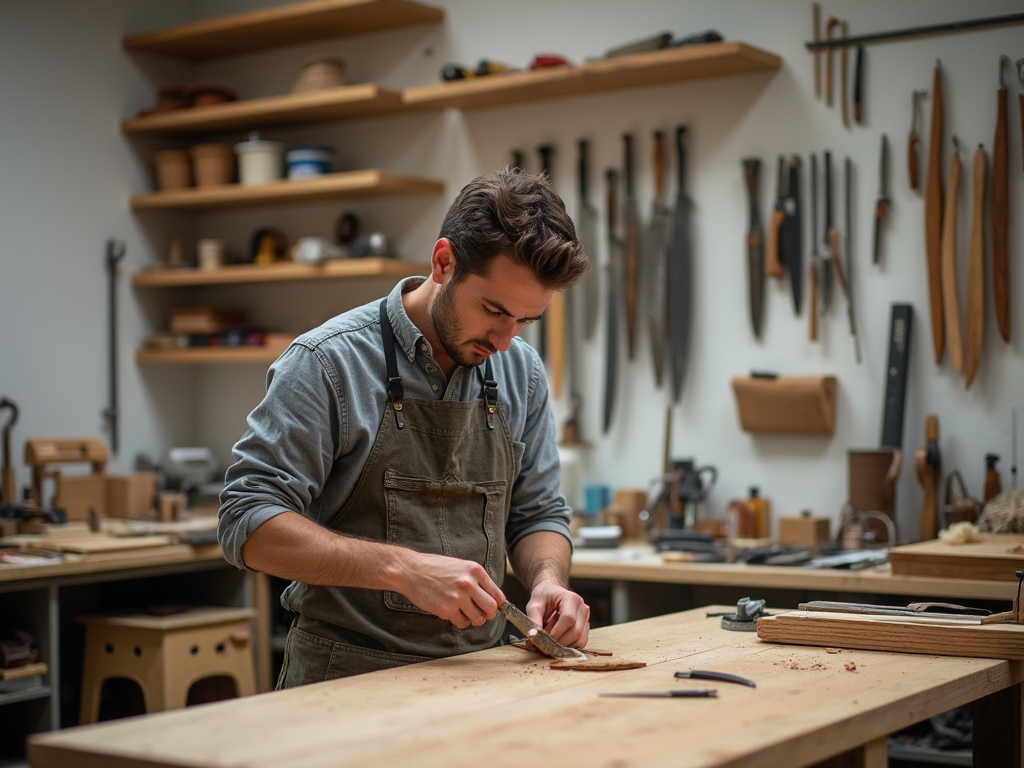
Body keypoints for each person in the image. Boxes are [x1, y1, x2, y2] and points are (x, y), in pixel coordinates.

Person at [218, 166, 592, 687]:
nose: (505, 341)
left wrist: (549, 582)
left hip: (481, 679)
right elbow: (247, 522)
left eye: (524, 322)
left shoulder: (520, 372)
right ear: (444, 263)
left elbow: (538, 514)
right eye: (493, 311)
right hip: (345, 682)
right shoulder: (328, 362)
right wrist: (402, 569)